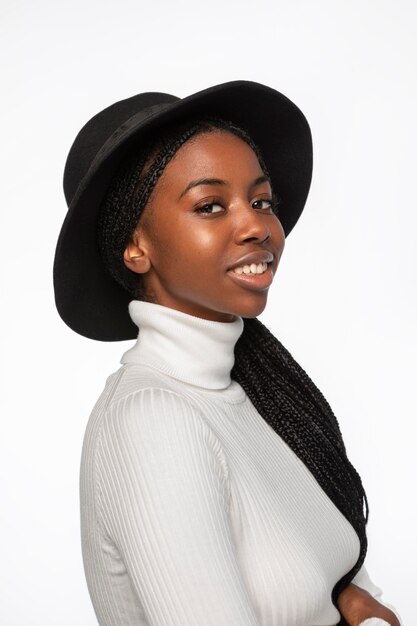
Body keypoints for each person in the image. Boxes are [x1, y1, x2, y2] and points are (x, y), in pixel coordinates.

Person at [53, 81, 402, 626]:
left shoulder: (258, 392)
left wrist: (347, 602)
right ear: (135, 247)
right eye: (211, 205)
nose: (257, 226)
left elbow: (336, 585)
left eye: (261, 201)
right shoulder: (153, 419)